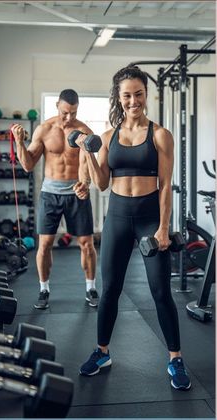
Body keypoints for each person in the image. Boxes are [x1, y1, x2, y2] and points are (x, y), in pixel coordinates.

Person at [76, 65, 191, 390]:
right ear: (119, 97)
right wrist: (86, 154)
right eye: (127, 95)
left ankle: (175, 358)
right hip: (117, 218)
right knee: (110, 289)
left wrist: (164, 229)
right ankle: (102, 352)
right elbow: (100, 183)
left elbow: (166, 185)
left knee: (159, 292)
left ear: (145, 95)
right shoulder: (109, 136)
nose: (133, 101)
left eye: (138, 94)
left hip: (150, 218)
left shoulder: (159, 134)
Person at [11, 89, 99, 309]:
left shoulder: (83, 131)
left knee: (87, 243)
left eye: (74, 112)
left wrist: (84, 183)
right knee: (45, 244)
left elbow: (85, 163)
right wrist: (19, 142)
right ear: (57, 106)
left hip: (76, 193)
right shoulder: (44, 129)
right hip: (50, 194)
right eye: (65, 112)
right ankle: (44, 289)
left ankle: (91, 287)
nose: (69, 117)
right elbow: (28, 164)